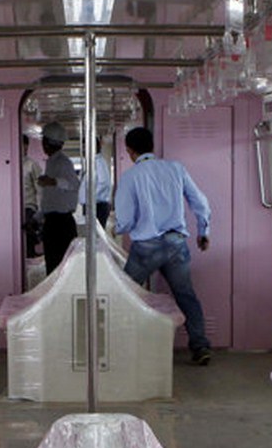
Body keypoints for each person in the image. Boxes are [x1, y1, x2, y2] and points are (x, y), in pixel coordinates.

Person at [114, 126, 212, 366]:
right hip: (176, 243)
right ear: (152, 147)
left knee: (122, 294)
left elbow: (125, 219)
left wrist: (114, 229)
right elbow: (200, 202)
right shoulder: (175, 169)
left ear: (129, 151)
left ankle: (118, 345)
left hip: (146, 247)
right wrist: (203, 231)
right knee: (186, 295)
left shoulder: (129, 177)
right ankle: (200, 346)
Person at [36, 121, 79, 274]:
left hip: (61, 224)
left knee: (61, 267)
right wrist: (38, 216)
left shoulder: (63, 163)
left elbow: (74, 184)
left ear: (47, 143)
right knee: (52, 266)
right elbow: (51, 197)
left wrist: (53, 181)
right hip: (52, 222)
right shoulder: (51, 163)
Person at [78, 136, 112, 228]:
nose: (84, 150)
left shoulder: (99, 162)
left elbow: (104, 184)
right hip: (92, 205)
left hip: (97, 206)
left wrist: (90, 199)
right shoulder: (91, 162)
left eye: (86, 146)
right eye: (83, 147)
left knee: (96, 238)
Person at [21, 134, 42, 258]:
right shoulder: (10, 164)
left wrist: (40, 210)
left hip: (29, 206)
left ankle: (30, 257)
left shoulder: (32, 165)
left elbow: (40, 189)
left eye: (24, 145)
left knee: (28, 234)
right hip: (13, 209)